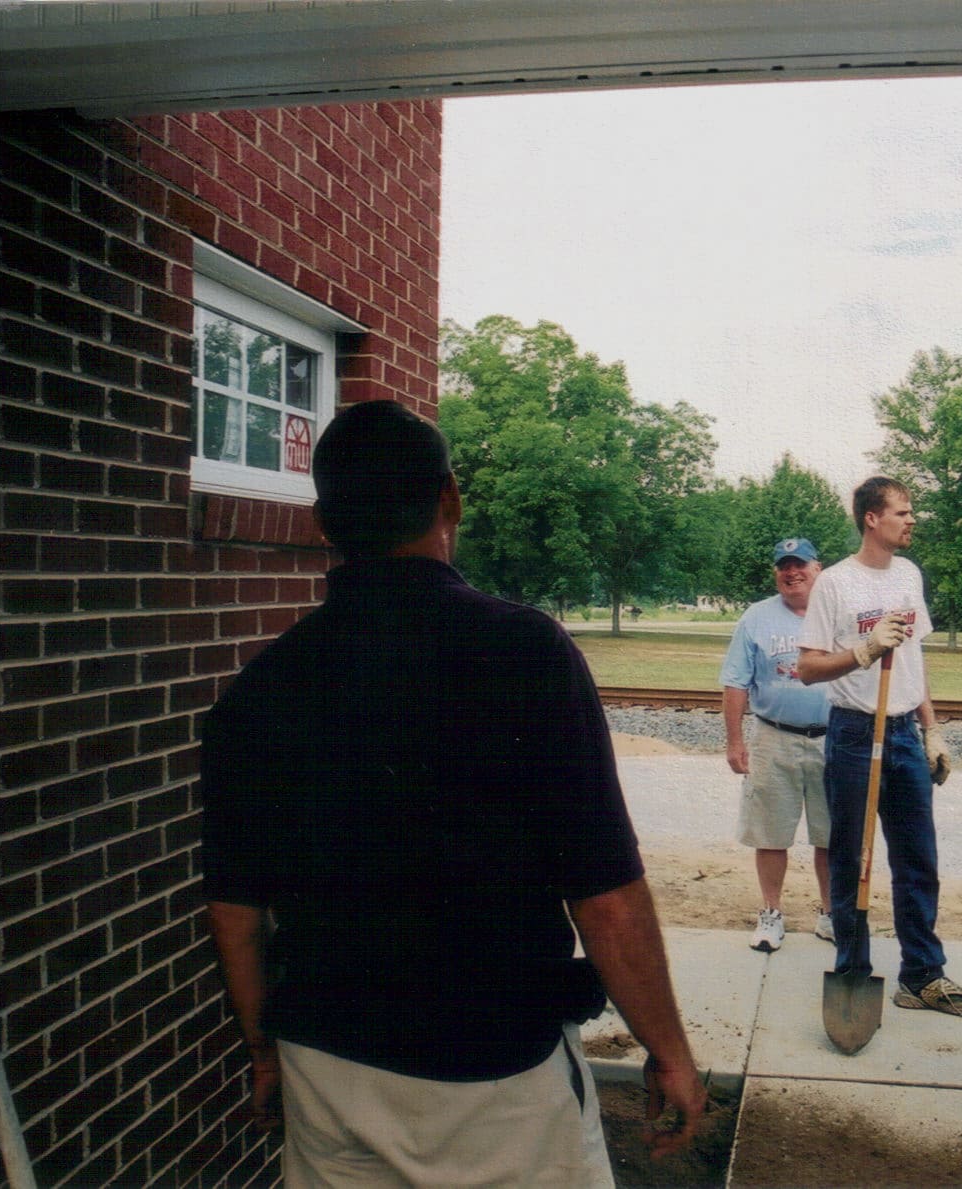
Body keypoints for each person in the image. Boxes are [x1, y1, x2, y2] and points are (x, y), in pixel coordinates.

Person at [199, 401, 705, 1185]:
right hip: (498, 1079)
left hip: (328, 1071)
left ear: (323, 523)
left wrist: (265, 1053)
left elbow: (234, 915)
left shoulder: (259, 689)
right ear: (451, 499)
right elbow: (604, 898)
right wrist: (668, 1050)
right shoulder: (526, 653)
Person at [797, 477, 962, 1017]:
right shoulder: (834, 583)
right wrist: (863, 650)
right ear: (871, 519)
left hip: (903, 732)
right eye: (902, 512)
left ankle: (923, 975)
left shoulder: (908, 575)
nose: (911, 520)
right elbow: (808, 667)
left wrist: (932, 729)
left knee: (918, 860)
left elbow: (914, 664)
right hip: (856, 734)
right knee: (853, 862)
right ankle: (853, 969)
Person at [720, 537, 834, 953]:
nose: (792, 572)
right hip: (773, 736)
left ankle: (830, 913)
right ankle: (771, 913)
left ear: (817, 569)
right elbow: (735, 681)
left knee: (833, 835)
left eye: (800, 564)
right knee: (770, 833)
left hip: (832, 738)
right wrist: (735, 741)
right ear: (776, 573)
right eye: (784, 566)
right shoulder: (757, 617)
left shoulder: (835, 612)